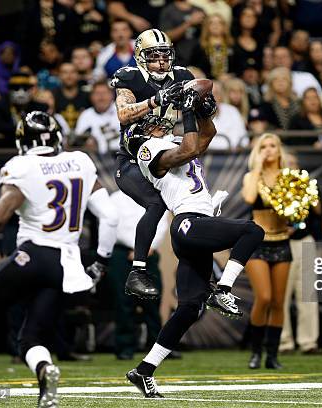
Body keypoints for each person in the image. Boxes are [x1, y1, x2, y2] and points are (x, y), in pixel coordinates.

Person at [0, 111, 119, 407]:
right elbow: (110, 217)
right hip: (67, 265)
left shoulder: (20, 165)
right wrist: (101, 261)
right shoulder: (81, 161)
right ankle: (44, 372)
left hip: (34, 253)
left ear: (23, 140)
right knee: (31, 337)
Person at [126, 94, 264, 399]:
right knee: (252, 231)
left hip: (194, 228)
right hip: (188, 222)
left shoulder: (170, 142)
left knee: (189, 308)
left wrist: (201, 110)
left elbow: (207, 135)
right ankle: (224, 289)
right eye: (152, 123)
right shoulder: (148, 150)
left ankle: (145, 370)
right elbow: (190, 148)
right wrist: (187, 111)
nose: (159, 123)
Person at [111, 28, 195, 300]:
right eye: (153, 56)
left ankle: (208, 276)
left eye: (164, 56)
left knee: (191, 206)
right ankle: (137, 272)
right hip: (132, 159)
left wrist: (204, 103)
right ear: (139, 56)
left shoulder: (182, 76)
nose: (160, 62)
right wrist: (155, 100)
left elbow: (206, 105)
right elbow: (124, 115)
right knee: (156, 204)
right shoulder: (130, 77)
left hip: (164, 152)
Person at [242, 133, 292, 370]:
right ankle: (255, 352)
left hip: (282, 241)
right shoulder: (251, 177)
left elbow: (305, 210)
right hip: (257, 243)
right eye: (264, 146)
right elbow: (249, 197)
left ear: (280, 150)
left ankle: (272, 356)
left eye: (273, 146)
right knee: (264, 297)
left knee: (279, 302)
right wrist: (259, 166)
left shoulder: (289, 178)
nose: (269, 150)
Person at [109, 190, 169, 360]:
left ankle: (158, 347)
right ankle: (125, 347)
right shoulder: (115, 199)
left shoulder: (155, 197)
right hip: (123, 253)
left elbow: (162, 224)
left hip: (149, 253)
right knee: (123, 302)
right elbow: (113, 226)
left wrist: (147, 247)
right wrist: (135, 248)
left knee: (153, 300)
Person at [279, 153, 321, 355]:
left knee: (308, 294)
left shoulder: (307, 186)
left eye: (294, 163)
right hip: (281, 244)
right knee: (281, 295)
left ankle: (308, 342)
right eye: (286, 163)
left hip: (305, 242)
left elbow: (318, 211)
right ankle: (283, 342)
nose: (291, 167)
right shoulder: (273, 188)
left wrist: (309, 193)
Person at [75, 80, 121, 155]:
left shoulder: (122, 111)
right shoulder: (86, 115)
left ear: (112, 95)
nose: (101, 97)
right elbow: (79, 141)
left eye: (104, 93)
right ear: (91, 97)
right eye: (97, 93)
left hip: (119, 157)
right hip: (95, 159)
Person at [52, 62, 91, 131]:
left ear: (78, 75)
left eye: (72, 72)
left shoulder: (88, 96)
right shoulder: (52, 96)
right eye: (65, 72)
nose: (69, 76)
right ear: (59, 75)